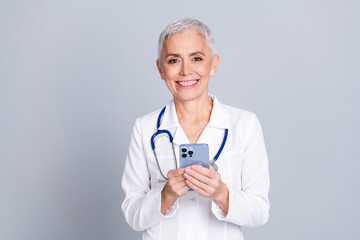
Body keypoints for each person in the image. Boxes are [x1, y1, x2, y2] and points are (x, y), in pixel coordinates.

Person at [121, 18, 270, 240]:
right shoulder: (145, 128)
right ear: (160, 69)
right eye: (173, 61)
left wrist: (221, 193)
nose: (186, 71)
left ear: (214, 64)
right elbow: (133, 215)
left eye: (197, 58)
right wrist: (166, 195)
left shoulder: (245, 124)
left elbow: (259, 213)